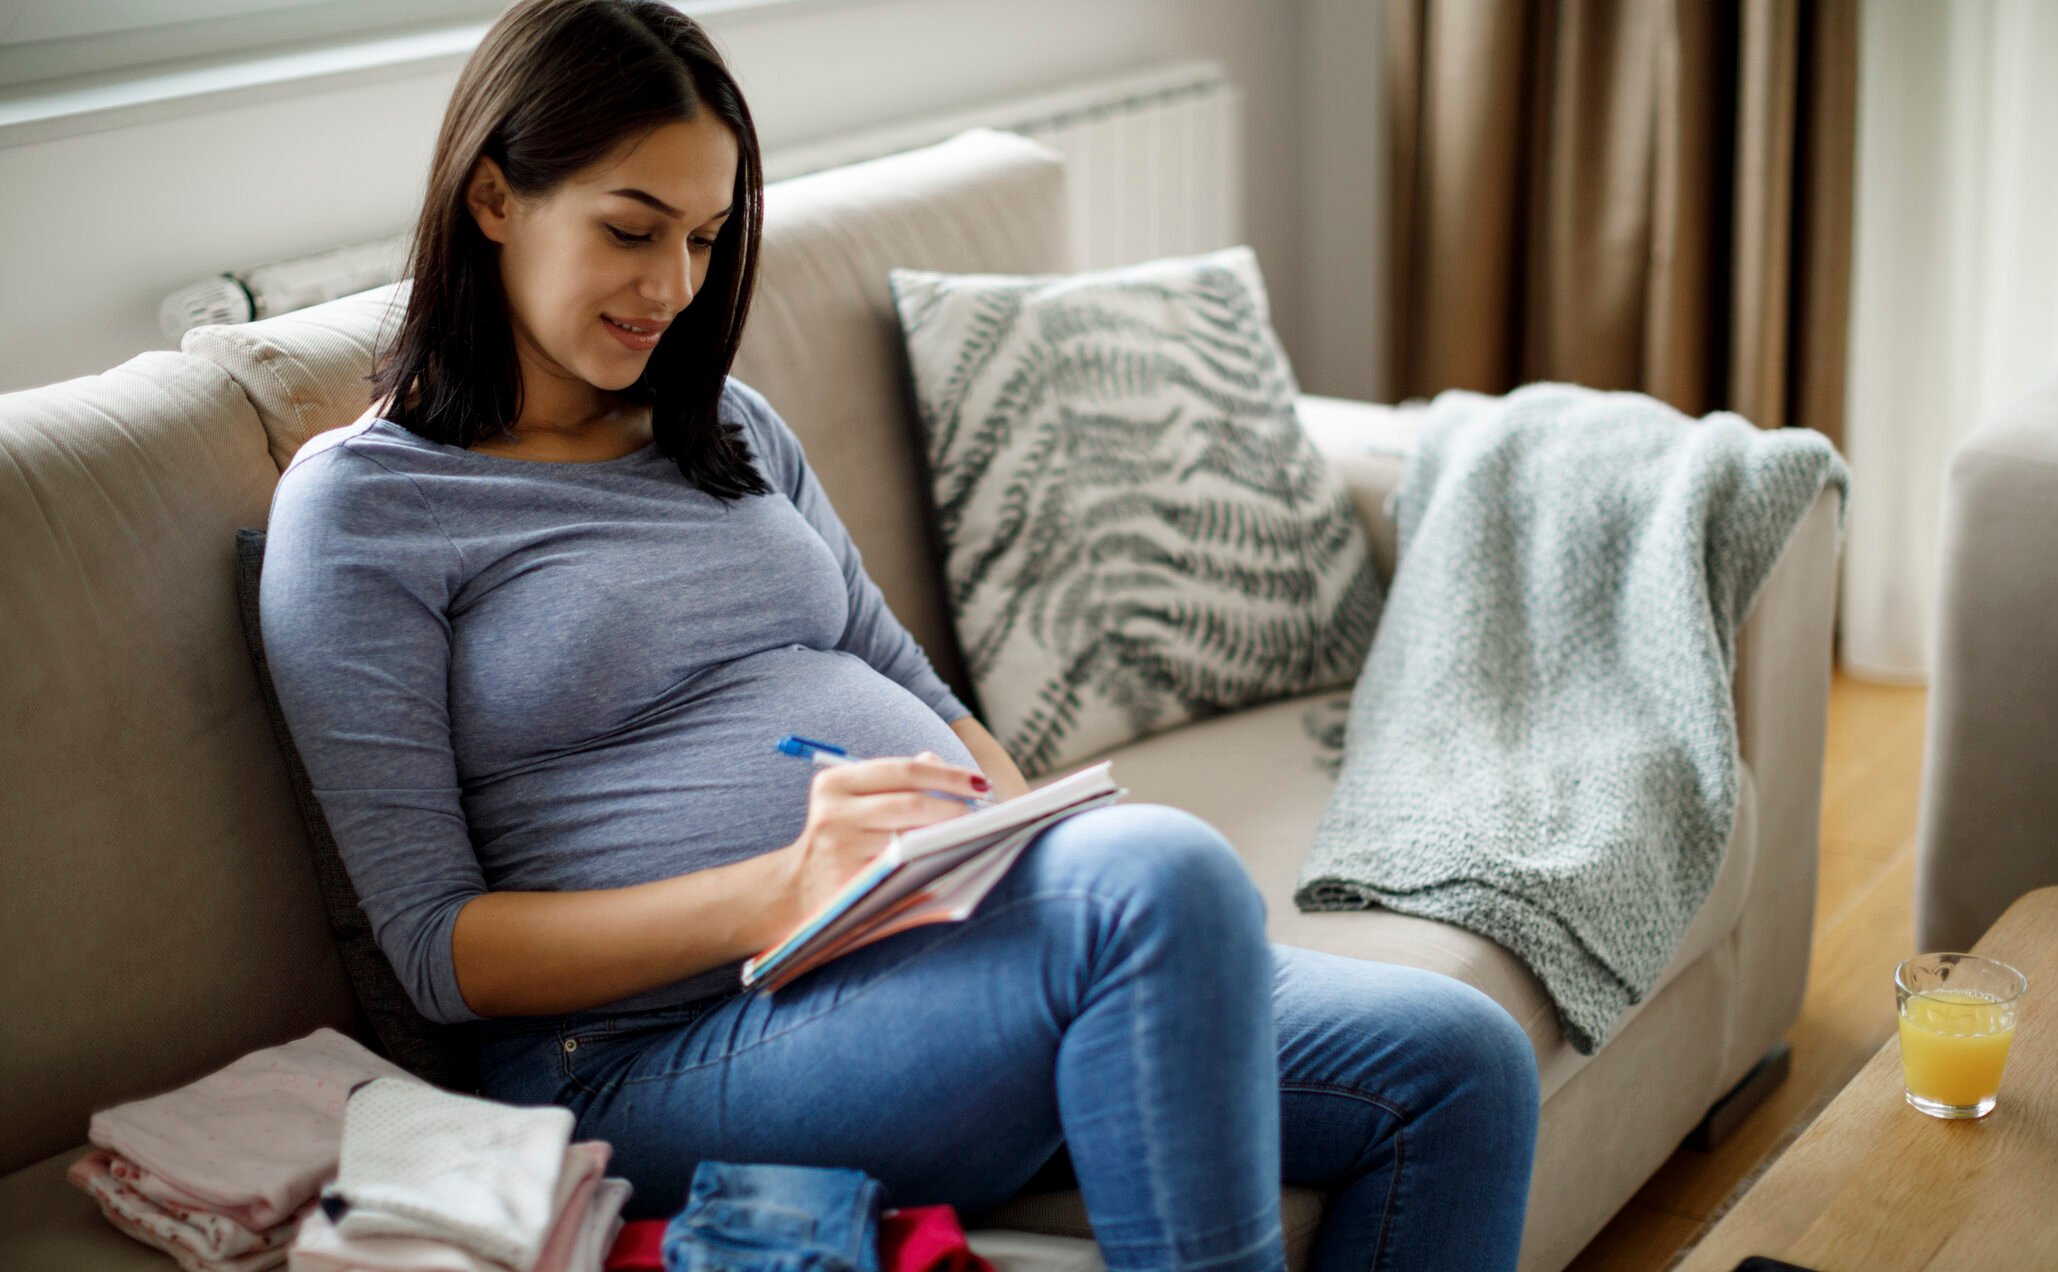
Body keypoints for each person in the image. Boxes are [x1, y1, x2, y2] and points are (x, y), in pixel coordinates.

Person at [257, 2, 1542, 1268]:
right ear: (493, 198)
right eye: (630, 230)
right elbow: (437, 951)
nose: (674, 288)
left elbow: (897, 673)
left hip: (935, 957)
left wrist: (1038, 852)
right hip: (647, 1054)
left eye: (705, 238)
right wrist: (789, 884)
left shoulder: (732, 430)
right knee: (1163, 877)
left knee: (1460, 1065)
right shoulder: (365, 508)